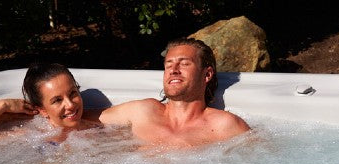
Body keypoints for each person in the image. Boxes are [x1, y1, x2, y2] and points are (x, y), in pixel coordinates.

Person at [98, 38, 250, 147]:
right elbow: (78, 119)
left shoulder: (225, 125)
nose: (173, 70)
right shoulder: (142, 111)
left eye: (184, 64)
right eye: (168, 64)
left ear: (207, 74)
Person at [0, 63, 98, 148]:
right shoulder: (31, 134)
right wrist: (2, 105)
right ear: (42, 110)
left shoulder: (96, 124)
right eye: (57, 100)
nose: (70, 105)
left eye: (72, 93)